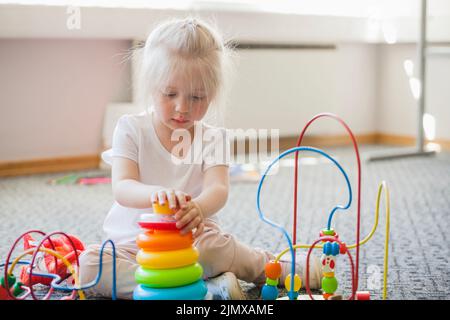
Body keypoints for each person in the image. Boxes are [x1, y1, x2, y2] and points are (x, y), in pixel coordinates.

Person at [78, 17, 322, 300]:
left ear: (213, 94)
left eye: (197, 97)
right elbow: (122, 187)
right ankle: (199, 289)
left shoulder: (213, 137)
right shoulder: (131, 128)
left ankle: (277, 268)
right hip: (137, 245)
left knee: (218, 248)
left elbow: (218, 189)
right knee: (89, 266)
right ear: (151, 85)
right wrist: (156, 194)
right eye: (170, 93)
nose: (182, 108)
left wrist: (199, 208)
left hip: (193, 241)